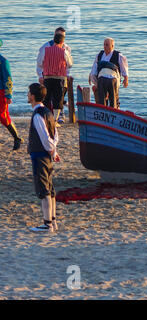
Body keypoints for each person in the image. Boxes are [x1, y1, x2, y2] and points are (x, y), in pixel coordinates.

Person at [27, 83, 60, 232]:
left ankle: (47, 224)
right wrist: (54, 151)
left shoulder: (38, 115)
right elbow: (55, 135)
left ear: (33, 96)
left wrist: (51, 150)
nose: (27, 95)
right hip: (47, 155)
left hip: (40, 155)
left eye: (28, 93)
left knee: (44, 190)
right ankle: (52, 221)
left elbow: (46, 137)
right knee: (50, 189)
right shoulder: (48, 112)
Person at [36, 27, 72, 123]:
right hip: (58, 77)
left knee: (52, 98)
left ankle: (51, 117)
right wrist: (40, 75)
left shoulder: (49, 49)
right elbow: (70, 64)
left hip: (49, 76)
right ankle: (52, 119)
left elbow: (39, 62)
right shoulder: (61, 50)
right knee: (55, 98)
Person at [89, 38, 129, 109]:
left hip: (112, 79)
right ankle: (103, 113)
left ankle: (114, 112)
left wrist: (126, 78)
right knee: (102, 101)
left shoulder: (118, 55)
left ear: (112, 46)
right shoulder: (100, 55)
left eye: (107, 45)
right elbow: (94, 69)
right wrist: (93, 80)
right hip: (101, 79)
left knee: (113, 100)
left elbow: (124, 67)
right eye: (104, 45)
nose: (105, 46)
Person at [0, 39, 23, 150]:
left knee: (3, 116)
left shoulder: (3, 61)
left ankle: (17, 138)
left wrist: (8, 95)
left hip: (1, 92)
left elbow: (8, 79)